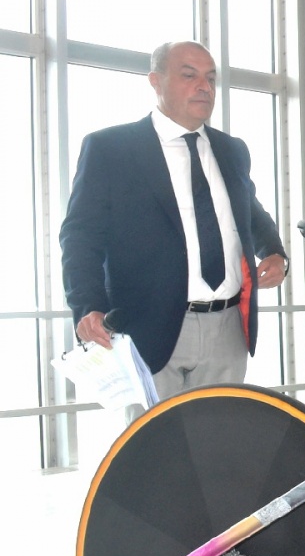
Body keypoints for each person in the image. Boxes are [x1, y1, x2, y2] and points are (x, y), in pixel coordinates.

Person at [60, 41, 287, 400]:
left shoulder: (232, 150)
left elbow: (251, 212)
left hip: (228, 329)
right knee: (154, 448)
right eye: (189, 76)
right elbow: (80, 236)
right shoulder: (112, 149)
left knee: (218, 443)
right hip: (147, 326)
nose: (204, 87)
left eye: (210, 78)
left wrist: (274, 251)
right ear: (156, 81)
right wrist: (88, 305)